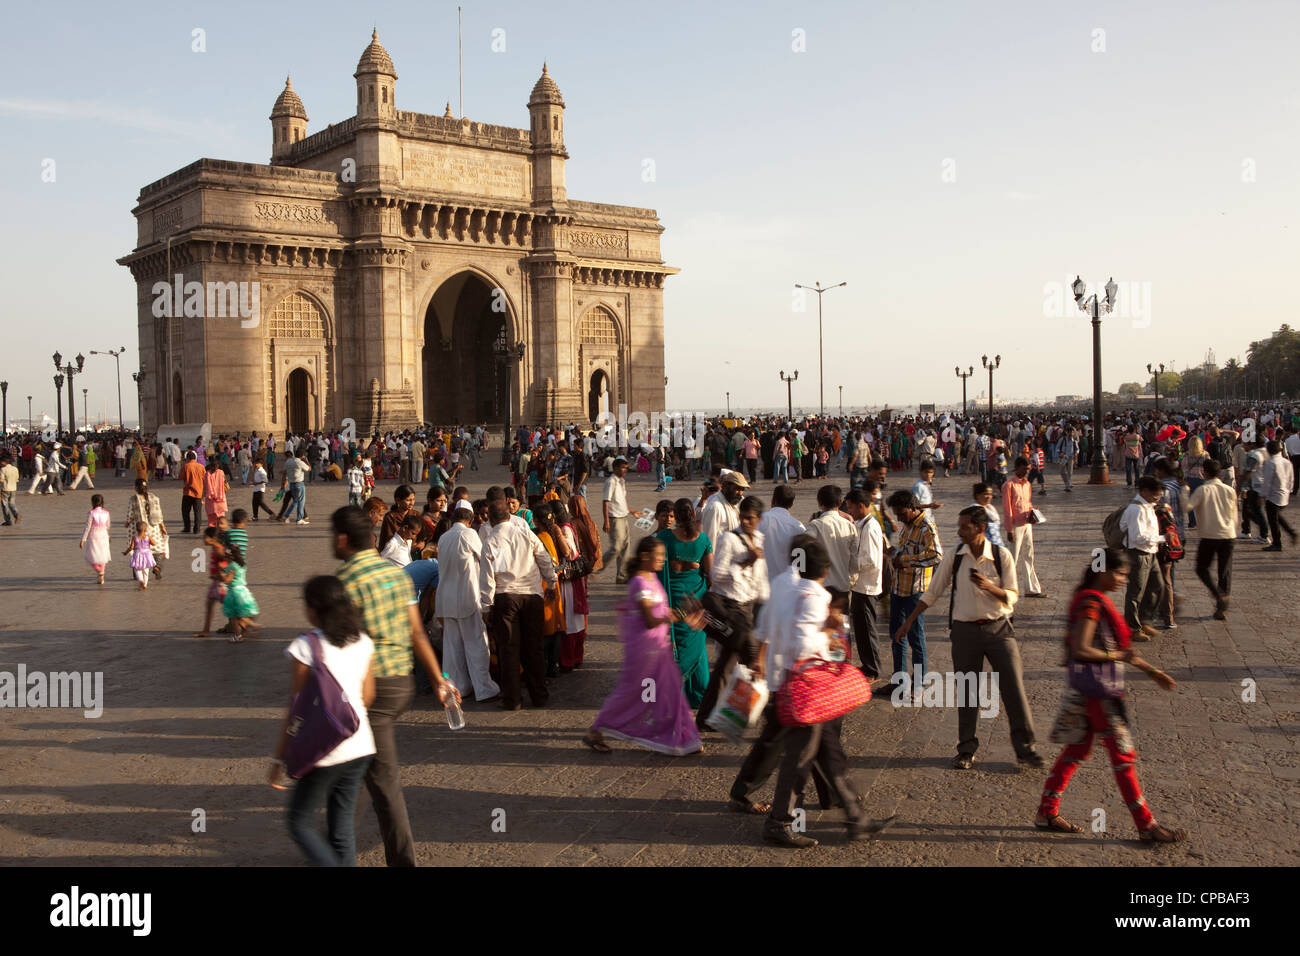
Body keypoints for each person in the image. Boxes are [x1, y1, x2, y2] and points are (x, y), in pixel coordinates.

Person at [1036, 548, 1186, 843]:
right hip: (1099, 696)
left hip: (1087, 690)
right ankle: (1146, 825)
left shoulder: (1089, 599)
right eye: (1119, 574)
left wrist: (1151, 671)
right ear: (1102, 571)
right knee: (1122, 757)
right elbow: (1081, 648)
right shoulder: (1091, 604)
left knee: (1076, 752)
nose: (1121, 580)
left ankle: (1046, 812)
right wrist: (1119, 655)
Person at [332, 505, 454, 866]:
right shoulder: (395, 576)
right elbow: (417, 632)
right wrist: (438, 680)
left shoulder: (345, 583)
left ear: (342, 540)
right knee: (362, 773)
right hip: (400, 682)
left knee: (379, 783)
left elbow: (340, 645)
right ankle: (331, 846)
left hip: (369, 689)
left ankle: (376, 857)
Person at [762, 539, 893, 848]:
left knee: (831, 755)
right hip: (807, 690)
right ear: (824, 568)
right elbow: (803, 645)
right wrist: (828, 628)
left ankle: (856, 818)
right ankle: (779, 822)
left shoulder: (785, 587)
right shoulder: (814, 596)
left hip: (791, 684)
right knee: (799, 759)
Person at [894, 505, 1044, 770]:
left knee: (1013, 689)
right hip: (964, 632)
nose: (960, 531)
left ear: (980, 529)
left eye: (965, 526)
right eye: (960, 526)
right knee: (967, 691)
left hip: (999, 629)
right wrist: (909, 621)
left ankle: (1025, 748)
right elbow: (933, 592)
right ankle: (966, 749)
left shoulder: (1001, 555)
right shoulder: (956, 557)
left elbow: (1012, 595)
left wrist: (990, 588)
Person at [271, 575, 377, 866]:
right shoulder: (363, 640)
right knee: (341, 830)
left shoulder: (306, 647)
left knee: (299, 822)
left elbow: (296, 710)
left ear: (314, 610)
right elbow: (368, 696)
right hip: (361, 744)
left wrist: (280, 759)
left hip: (325, 751)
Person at [583, 536, 704, 755]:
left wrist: (682, 614)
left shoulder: (652, 578)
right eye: (659, 556)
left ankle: (680, 733)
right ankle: (598, 728)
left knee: (669, 688)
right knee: (634, 692)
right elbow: (650, 619)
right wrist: (676, 616)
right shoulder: (640, 582)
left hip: (658, 647)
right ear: (645, 557)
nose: (662, 560)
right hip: (645, 651)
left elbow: (660, 611)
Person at [696, 495, 769, 731]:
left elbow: (760, 581)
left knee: (726, 665)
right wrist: (744, 562)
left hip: (748, 608)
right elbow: (716, 575)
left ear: (759, 519)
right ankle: (774, 717)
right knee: (754, 661)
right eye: (743, 517)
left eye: (751, 518)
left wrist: (769, 605)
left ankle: (707, 717)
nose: (747, 522)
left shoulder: (760, 539)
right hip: (729, 608)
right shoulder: (729, 539)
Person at [482, 498, 558, 710]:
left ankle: (513, 699)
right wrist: (551, 582)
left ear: (490, 519)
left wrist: (486, 607)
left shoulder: (490, 540)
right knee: (534, 648)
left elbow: (486, 579)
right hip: (532, 595)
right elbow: (544, 559)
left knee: (509, 650)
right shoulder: (526, 533)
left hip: (506, 598)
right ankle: (539, 695)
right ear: (509, 515)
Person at [435, 500, 500, 703]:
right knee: (476, 645)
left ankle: (457, 688)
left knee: (452, 649)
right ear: (470, 520)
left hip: (446, 600)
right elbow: (485, 558)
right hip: (467, 598)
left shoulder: (444, 538)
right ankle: (483, 688)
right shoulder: (469, 534)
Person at [655, 499, 713, 708]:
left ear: (676, 517)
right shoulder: (704, 540)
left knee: (674, 648)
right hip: (695, 602)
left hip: (671, 600)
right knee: (697, 650)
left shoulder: (663, 538)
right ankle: (697, 693)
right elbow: (710, 575)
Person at [887, 489, 942, 691]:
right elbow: (906, 549)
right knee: (896, 635)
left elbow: (936, 555)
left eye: (901, 514)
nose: (899, 519)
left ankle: (919, 680)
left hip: (915, 590)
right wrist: (895, 553)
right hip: (898, 587)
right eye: (897, 515)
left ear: (912, 508)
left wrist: (906, 560)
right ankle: (898, 680)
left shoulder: (927, 527)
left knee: (915, 636)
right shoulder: (907, 526)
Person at [1179, 459, 1237, 619]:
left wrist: (1184, 489)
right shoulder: (1229, 490)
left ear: (1204, 472)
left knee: (1202, 568)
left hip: (1210, 535)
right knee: (1224, 571)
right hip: (1229, 534)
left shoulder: (1203, 490)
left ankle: (1217, 595)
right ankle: (1222, 605)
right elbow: (1234, 514)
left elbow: (1187, 507)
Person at [844, 484, 886, 683]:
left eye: (851, 508)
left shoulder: (871, 527)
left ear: (861, 506)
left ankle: (873, 669)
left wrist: (850, 563)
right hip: (859, 585)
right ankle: (867, 664)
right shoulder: (862, 524)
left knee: (867, 629)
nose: (849, 512)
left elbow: (871, 560)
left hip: (867, 586)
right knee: (860, 628)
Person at [1120, 476, 1165, 640]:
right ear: (1144, 491)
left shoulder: (1148, 506)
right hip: (1137, 553)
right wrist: (1163, 538)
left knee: (1157, 586)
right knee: (1135, 592)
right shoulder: (1136, 509)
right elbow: (1137, 537)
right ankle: (1132, 627)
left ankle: (1145, 619)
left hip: (1150, 552)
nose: (1157, 498)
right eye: (1155, 495)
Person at [1002, 457, 1045, 598]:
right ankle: (1006, 589)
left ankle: (1031, 588)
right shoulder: (1009, 485)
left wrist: (1033, 511)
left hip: (1027, 523)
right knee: (1012, 558)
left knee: (1028, 556)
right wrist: (1009, 530)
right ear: (1017, 467)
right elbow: (1007, 509)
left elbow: (1027, 502)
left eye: (1028, 469)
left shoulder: (1027, 484)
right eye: (1025, 469)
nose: (1027, 472)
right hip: (1016, 525)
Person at [757, 484, 805, 583]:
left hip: (761, 584)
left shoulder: (760, 520)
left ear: (772, 500)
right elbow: (801, 565)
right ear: (791, 504)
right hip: (787, 586)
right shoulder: (798, 527)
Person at [125, 477, 168, 581]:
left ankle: (137, 572)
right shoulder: (154, 497)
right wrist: (163, 527)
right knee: (157, 550)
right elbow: (159, 514)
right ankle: (157, 567)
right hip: (154, 528)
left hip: (141, 529)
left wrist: (127, 523)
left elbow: (130, 515)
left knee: (138, 551)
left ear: (136, 488)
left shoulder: (133, 499)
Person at [1258, 439, 1296, 551]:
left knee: (1273, 520)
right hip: (1284, 494)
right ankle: (1291, 533)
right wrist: (1289, 490)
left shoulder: (1271, 463)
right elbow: (1291, 479)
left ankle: (1277, 543)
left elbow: (1267, 481)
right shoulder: (1287, 462)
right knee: (1277, 517)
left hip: (1273, 495)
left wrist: (1262, 495)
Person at [79, 493, 112, 586]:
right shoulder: (106, 513)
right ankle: (101, 576)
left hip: (94, 536)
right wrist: (109, 537)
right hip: (104, 535)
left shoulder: (91, 513)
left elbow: (87, 527)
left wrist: (83, 539)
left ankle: (99, 572)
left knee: (90, 556)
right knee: (103, 556)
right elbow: (107, 526)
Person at [125, 520, 156, 589]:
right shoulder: (148, 537)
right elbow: (154, 543)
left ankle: (141, 581)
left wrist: (126, 552)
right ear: (146, 529)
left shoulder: (135, 538)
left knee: (137, 570)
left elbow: (131, 547)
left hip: (137, 554)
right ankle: (145, 584)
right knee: (146, 570)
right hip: (147, 554)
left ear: (136, 529)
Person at [179, 451, 204, 533]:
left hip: (188, 492)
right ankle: (197, 529)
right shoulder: (201, 467)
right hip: (199, 492)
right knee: (197, 512)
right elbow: (205, 478)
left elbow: (180, 477)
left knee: (185, 511)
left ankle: (187, 527)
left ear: (188, 458)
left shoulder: (186, 466)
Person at [0, 453, 21, 526]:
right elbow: (17, 479)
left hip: (5, 489)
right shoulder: (15, 468)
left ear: (4, 462)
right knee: (12, 503)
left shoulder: (3, 469)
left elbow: (1, 480)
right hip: (14, 488)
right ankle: (17, 514)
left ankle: (8, 521)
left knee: (4, 505)